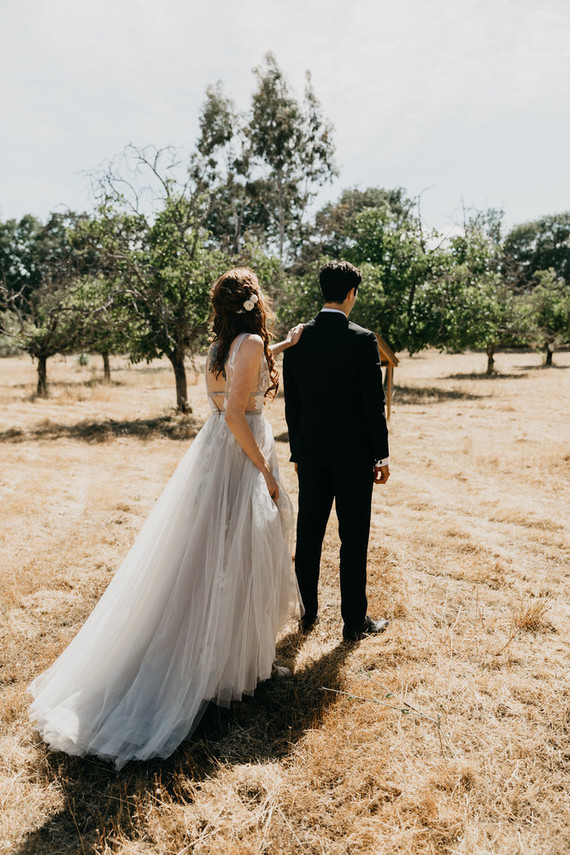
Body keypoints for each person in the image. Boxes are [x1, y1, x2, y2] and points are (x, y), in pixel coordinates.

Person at [28, 268, 303, 770]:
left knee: (212, 556)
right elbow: (238, 413)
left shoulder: (222, 345)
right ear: (253, 302)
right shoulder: (246, 345)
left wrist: (283, 345)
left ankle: (237, 661)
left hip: (217, 451)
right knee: (236, 557)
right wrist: (264, 471)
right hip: (240, 454)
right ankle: (220, 668)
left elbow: (244, 376)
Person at [283, 260, 390, 641]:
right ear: (351, 294)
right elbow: (373, 405)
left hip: (311, 454)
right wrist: (381, 455)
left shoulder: (298, 339)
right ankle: (354, 623)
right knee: (353, 538)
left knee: (308, 535)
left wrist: (297, 452)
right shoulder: (363, 339)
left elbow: (292, 404)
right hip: (354, 457)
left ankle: (307, 614)